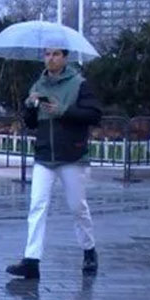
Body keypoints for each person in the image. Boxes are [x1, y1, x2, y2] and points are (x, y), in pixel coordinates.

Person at [6, 48, 102, 280]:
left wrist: (64, 111)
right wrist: (29, 106)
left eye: (56, 54)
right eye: (47, 54)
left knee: (77, 207)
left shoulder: (79, 84)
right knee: (37, 206)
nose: (51, 59)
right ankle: (32, 260)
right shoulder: (39, 85)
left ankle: (89, 250)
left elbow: (94, 115)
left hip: (72, 155)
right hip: (44, 155)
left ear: (65, 58)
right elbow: (31, 122)